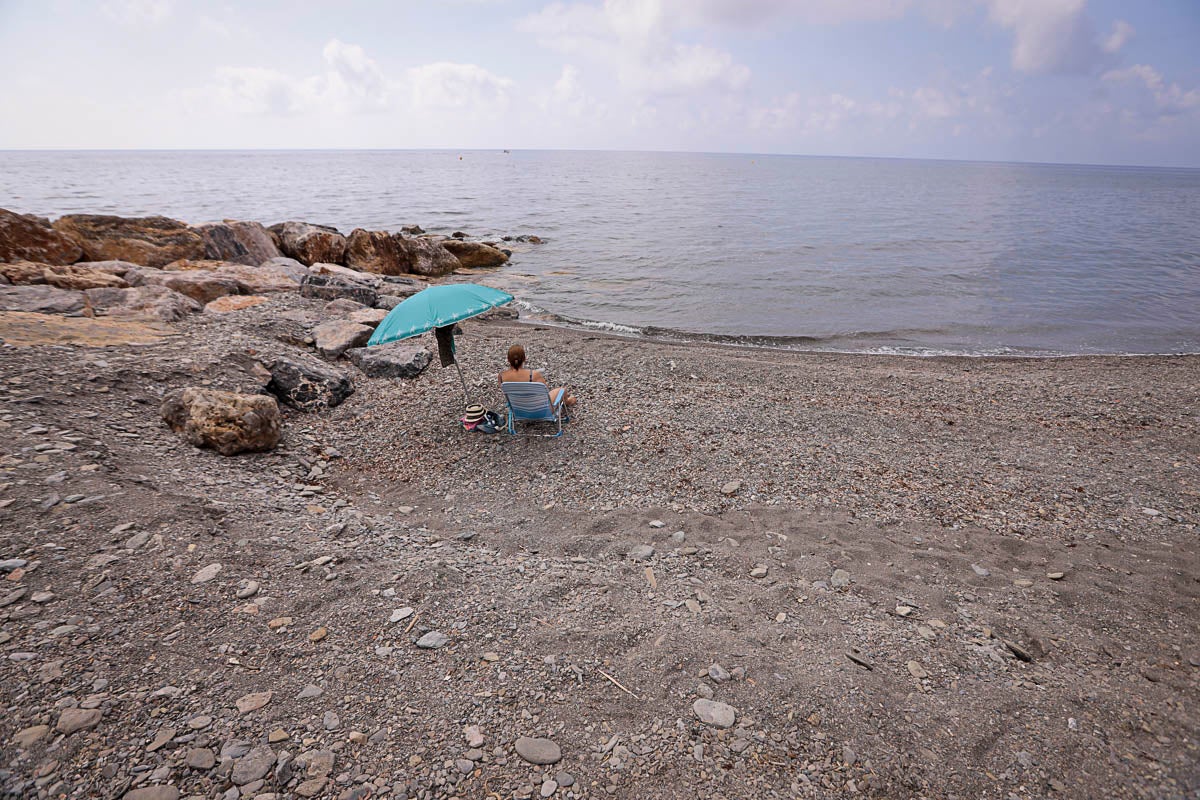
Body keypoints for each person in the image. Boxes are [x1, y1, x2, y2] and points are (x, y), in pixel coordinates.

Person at [498, 344, 577, 409]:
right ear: (524, 359)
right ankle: (568, 401)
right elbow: (545, 394)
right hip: (541, 410)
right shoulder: (533, 375)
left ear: (508, 359)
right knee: (562, 390)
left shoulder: (501, 376)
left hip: (518, 410)